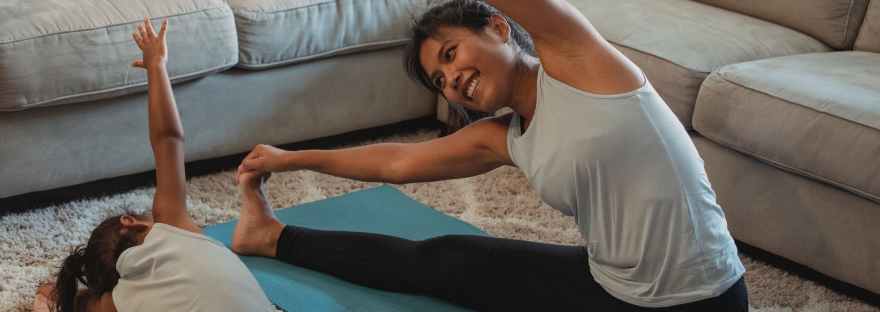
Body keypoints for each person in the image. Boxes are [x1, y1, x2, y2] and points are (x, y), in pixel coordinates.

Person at [233, 0, 748, 311]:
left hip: (703, 304)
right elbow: (396, 163)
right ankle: (271, 237)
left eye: (451, 54)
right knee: (442, 259)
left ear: (499, 27)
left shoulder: (583, 65)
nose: (451, 79)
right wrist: (293, 158)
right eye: (440, 79)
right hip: (610, 290)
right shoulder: (506, 135)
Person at [36, 18, 275, 312]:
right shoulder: (171, 226)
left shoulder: (118, 302)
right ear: (129, 221)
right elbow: (168, 140)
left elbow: (62, 303)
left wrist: (49, 296)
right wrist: (156, 66)